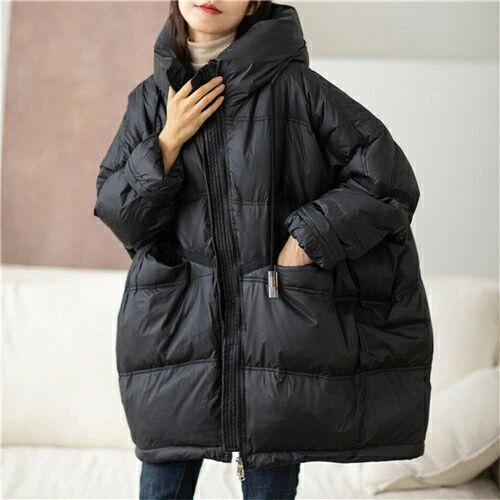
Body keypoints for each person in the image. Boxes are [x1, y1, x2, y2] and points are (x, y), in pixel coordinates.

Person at [93, 1, 434, 499]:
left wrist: (305, 242)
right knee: (163, 484)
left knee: (271, 473)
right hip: (174, 325)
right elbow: (120, 215)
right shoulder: (149, 101)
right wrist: (166, 143)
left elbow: (387, 179)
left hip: (279, 323)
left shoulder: (297, 89)